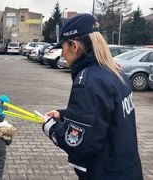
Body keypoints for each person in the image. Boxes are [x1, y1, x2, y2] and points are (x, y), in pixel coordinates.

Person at [42, 14, 143, 180]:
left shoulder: (89, 81)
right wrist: (63, 115)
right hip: (127, 168)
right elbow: (103, 116)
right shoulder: (115, 72)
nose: (62, 54)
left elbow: (79, 143)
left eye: (63, 47)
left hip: (105, 173)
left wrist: (50, 127)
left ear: (74, 46)